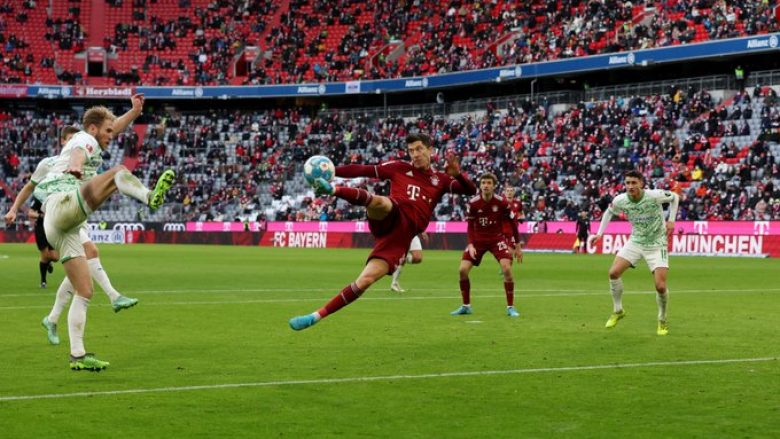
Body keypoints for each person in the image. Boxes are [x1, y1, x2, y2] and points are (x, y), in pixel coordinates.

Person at [33, 103, 176, 370]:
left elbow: (114, 126)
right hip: (63, 203)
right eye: (107, 131)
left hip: (62, 226)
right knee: (118, 170)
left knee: (84, 290)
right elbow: (78, 153)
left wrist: (134, 112)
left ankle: (77, 356)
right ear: (93, 128)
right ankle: (149, 197)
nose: (112, 135)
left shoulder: (94, 137)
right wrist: (76, 167)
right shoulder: (83, 138)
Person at [289, 133, 477, 330]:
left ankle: (315, 316)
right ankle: (333, 190)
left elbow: (471, 191)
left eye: (419, 149)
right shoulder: (399, 168)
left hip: (399, 238)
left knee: (365, 280)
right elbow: (363, 169)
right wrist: (333, 170)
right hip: (391, 215)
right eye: (411, 150)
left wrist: (458, 175)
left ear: (430, 150)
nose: (415, 154)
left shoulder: (441, 180)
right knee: (380, 201)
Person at [589, 170, 679, 336]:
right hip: (636, 241)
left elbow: (674, 197)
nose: (630, 186)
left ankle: (662, 319)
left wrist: (671, 220)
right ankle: (618, 310)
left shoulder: (654, 195)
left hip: (657, 243)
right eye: (627, 183)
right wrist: (600, 233)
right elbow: (609, 212)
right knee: (613, 273)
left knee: (660, 286)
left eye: (633, 183)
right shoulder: (620, 200)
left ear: (641, 184)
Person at [450, 173, 523, 317]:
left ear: (494, 186)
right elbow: (470, 226)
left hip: (497, 239)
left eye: (489, 183)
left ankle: (510, 307)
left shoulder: (502, 203)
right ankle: (466, 306)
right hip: (478, 240)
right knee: (462, 270)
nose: (486, 185)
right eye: (483, 183)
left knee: (507, 269)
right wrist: (470, 244)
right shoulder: (473, 203)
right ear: (480, 185)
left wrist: (518, 246)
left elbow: (513, 224)